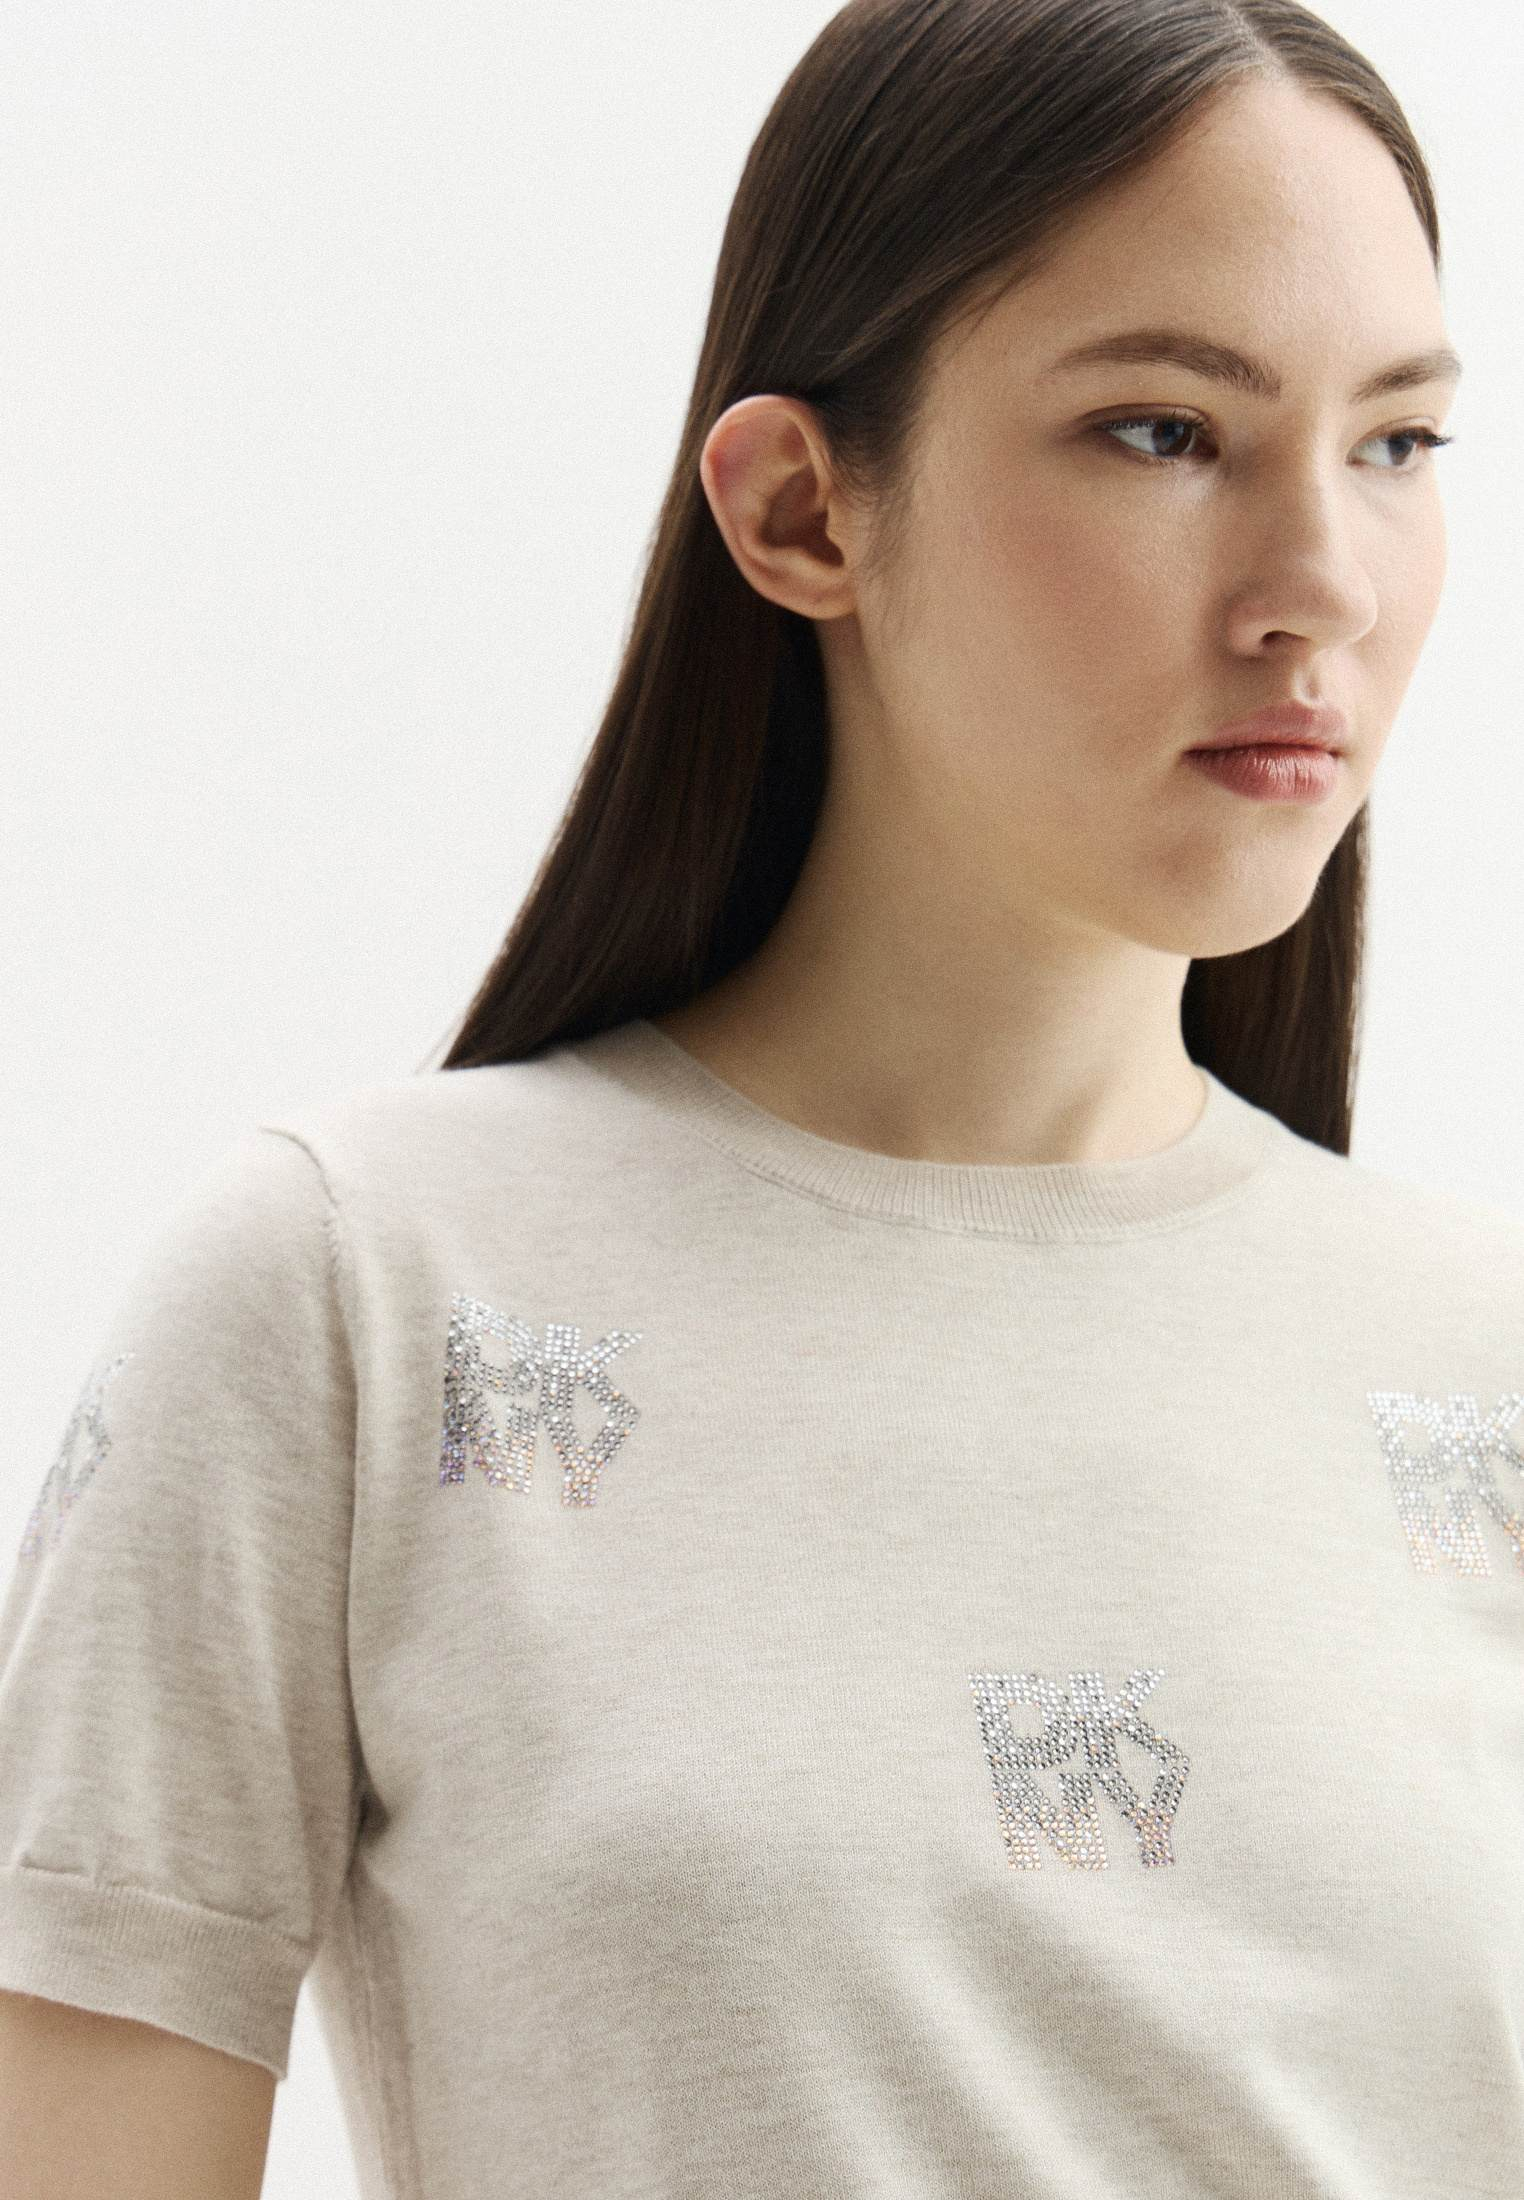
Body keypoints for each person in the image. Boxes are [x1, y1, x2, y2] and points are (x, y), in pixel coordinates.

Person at [1, 3, 1518, 2196]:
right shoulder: (361, 1292)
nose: (1325, 590)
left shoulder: (1480, 1359)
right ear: (804, 508)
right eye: (1166, 431)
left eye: (1397, 443)